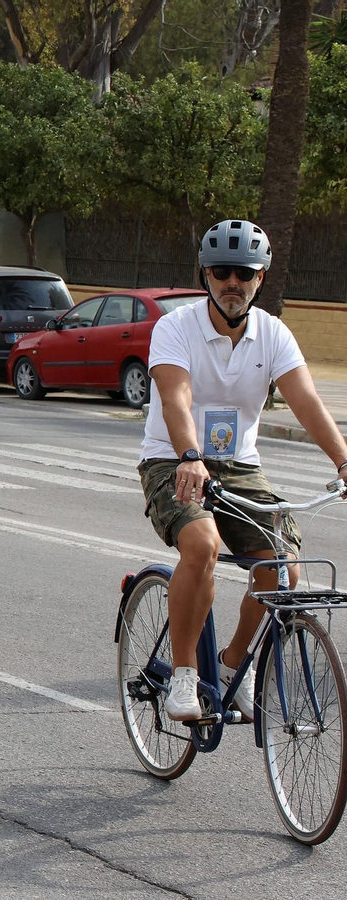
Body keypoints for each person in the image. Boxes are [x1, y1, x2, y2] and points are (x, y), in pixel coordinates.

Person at [141, 219, 347, 721]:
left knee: (283, 568)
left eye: (245, 273)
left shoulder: (273, 334)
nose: (233, 282)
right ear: (206, 274)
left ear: (261, 278)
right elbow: (175, 398)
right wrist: (190, 456)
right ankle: (184, 675)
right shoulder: (175, 327)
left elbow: (307, 402)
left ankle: (232, 663)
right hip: (173, 459)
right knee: (202, 545)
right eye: (222, 272)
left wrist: (344, 460)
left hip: (240, 466)